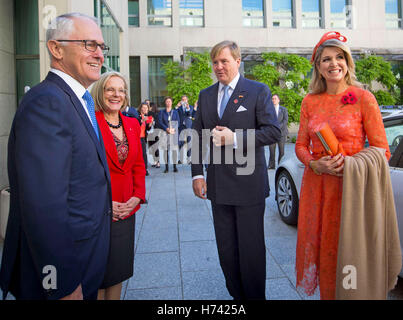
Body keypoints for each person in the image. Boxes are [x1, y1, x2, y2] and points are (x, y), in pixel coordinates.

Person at [0, 13, 111, 300]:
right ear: (56, 49)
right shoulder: (48, 102)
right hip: (61, 275)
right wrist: (60, 284)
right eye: (89, 44)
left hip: (83, 257)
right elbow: (43, 207)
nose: (99, 54)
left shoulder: (76, 99)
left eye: (101, 46)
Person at [295, 31, 391, 300]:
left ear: (347, 63)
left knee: (351, 254)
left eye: (339, 57)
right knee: (326, 253)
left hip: (353, 190)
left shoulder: (363, 98)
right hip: (319, 189)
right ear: (318, 67)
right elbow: (300, 146)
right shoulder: (309, 101)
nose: (333, 63)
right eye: (326, 59)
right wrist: (316, 164)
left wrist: (352, 164)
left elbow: (382, 149)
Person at [191, 40, 281, 300]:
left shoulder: (257, 90)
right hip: (218, 186)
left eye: (224, 61)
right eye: (215, 62)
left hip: (248, 185)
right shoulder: (206, 95)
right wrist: (197, 174)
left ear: (238, 61)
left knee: (250, 250)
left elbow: (273, 132)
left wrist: (236, 138)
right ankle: (237, 296)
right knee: (227, 250)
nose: (219, 67)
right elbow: (197, 136)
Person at [91, 71, 146, 300]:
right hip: (100, 210)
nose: (116, 94)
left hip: (126, 209)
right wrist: (103, 203)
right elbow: (85, 171)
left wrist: (137, 196)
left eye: (121, 90)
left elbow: (138, 165)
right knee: (98, 275)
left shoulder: (132, 123)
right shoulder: (90, 121)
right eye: (110, 89)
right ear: (100, 92)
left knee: (118, 272)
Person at [158, 96, 180, 173]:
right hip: (165, 133)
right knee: (166, 150)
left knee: (174, 150)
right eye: (167, 101)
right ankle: (166, 167)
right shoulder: (161, 112)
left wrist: (173, 129)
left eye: (169, 101)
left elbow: (178, 122)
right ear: (165, 102)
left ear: (171, 102)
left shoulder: (175, 112)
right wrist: (166, 129)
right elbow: (160, 122)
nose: (168, 103)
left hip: (173, 132)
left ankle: (175, 166)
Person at [268, 94, 288, 169]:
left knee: (281, 151)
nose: (273, 100)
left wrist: (277, 127)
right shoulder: (269, 109)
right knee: (271, 150)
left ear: (278, 100)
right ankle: (271, 165)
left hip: (281, 133)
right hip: (272, 133)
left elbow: (285, 120)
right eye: (272, 99)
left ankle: (280, 165)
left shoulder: (283, 109)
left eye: (275, 99)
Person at [176, 95, 194, 164]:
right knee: (180, 142)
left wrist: (187, 108)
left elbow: (189, 114)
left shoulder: (191, 107)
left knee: (189, 142)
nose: (184, 101)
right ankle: (180, 158)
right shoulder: (179, 108)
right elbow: (174, 113)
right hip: (181, 126)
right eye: (182, 99)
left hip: (188, 126)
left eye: (185, 99)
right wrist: (177, 106)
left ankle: (189, 159)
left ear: (187, 100)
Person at [138, 101, 154, 176]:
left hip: (143, 137)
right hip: (137, 138)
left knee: (144, 154)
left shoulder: (146, 116)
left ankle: (145, 169)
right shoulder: (137, 116)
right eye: (143, 107)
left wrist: (150, 124)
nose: (145, 109)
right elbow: (136, 125)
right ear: (140, 108)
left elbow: (147, 128)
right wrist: (141, 121)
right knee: (139, 154)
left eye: (146, 108)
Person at [147, 102, 160, 168]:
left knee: (155, 147)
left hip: (155, 132)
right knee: (151, 148)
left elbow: (158, 123)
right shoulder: (147, 114)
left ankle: (158, 162)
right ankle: (155, 161)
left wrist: (153, 122)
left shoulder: (156, 114)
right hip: (149, 132)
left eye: (149, 106)